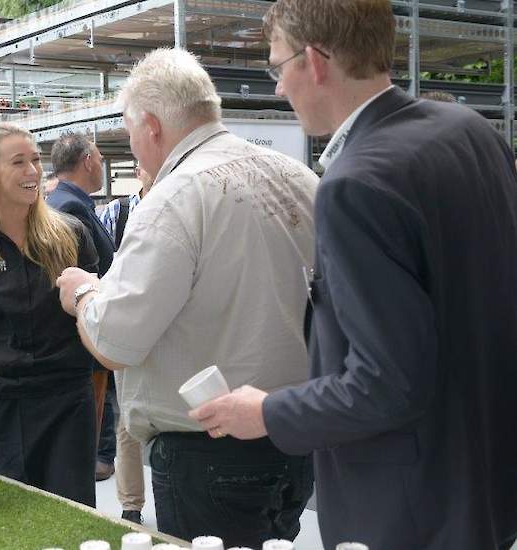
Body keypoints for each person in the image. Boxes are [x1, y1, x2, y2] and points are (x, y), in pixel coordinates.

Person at [190, 1, 517, 548]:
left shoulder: (355, 184)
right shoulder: (472, 133)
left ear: (314, 62)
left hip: (407, 510)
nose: (276, 89)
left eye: (277, 68)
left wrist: (267, 412)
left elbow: (387, 383)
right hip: (486, 481)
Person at [55, 48, 318, 547]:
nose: (131, 148)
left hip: (208, 454)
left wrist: (83, 292)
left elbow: (115, 342)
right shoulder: (301, 180)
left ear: (151, 126)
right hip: (292, 434)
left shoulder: (175, 197)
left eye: (130, 133)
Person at [0, 123, 100, 506]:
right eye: (19, 162)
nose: (33, 171)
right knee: (14, 515)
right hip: (3, 406)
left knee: (70, 516)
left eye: (36, 160)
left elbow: (102, 313)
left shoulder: (71, 234)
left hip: (68, 402)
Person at [46, 132, 118, 482]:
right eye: (101, 159)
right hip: (83, 323)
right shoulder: (71, 207)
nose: (102, 165)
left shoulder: (66, 201)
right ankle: (99, 457)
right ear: (87, 160)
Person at [97, 162, 155, 524]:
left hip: (171, 329)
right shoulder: (117, 212)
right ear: (137, 168)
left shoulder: (181, 203)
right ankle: (131, 504)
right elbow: (104, 270)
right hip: (130, 326)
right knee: (128, 420)